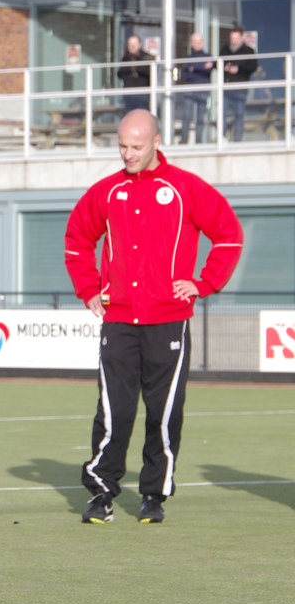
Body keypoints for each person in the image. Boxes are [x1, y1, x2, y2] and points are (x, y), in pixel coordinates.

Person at [64, 109, 243, 524]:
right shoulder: (106, 192)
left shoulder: (186, 188)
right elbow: (77, 239)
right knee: (114, 410)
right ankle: (102, 492)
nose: (127, 153)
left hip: (169, 321)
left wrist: (204, 282)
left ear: (157, 142)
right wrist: (89, 289)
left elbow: (229, 234)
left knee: (164, 412)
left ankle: (154, 495)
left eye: (136, 146)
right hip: (119, 321)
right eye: (122, 146)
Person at [220, 27, 257, 143]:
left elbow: (253, 67)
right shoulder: (225, 50)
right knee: (222, 114)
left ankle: (237, 140)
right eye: (232, 38)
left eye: (236, 38)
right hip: (226, 88)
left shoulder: (248, 51)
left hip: (240, 89)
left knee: (239, 115)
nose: (234, 41)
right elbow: (217, 64)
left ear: (241, 38)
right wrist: (225, 67)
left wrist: (238, 69)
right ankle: (222, 139)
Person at [178, 32, 215, 144]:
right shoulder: (188, 58)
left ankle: (198, 141)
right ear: (191, 43)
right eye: (195, 41)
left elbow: (209, 69)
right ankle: (184, 140)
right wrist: (202, 67)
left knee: (200, 117)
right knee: (186, 116)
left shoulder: (208, 57)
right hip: (189, 89)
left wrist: (194, 67)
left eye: (199, 41)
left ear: (203, 43)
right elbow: (186, 74)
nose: (197, 43)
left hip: (203, 90)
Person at [116, 34, 155, 111]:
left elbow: (151, 74)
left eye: (134, 44)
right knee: (129, 114)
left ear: (139, 44)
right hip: (128, 94)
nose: (132, 46)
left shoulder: (147, 58)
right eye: (130, 44)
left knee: (142, 114)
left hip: (143, 94)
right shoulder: (126, 58)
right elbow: (120, 74)